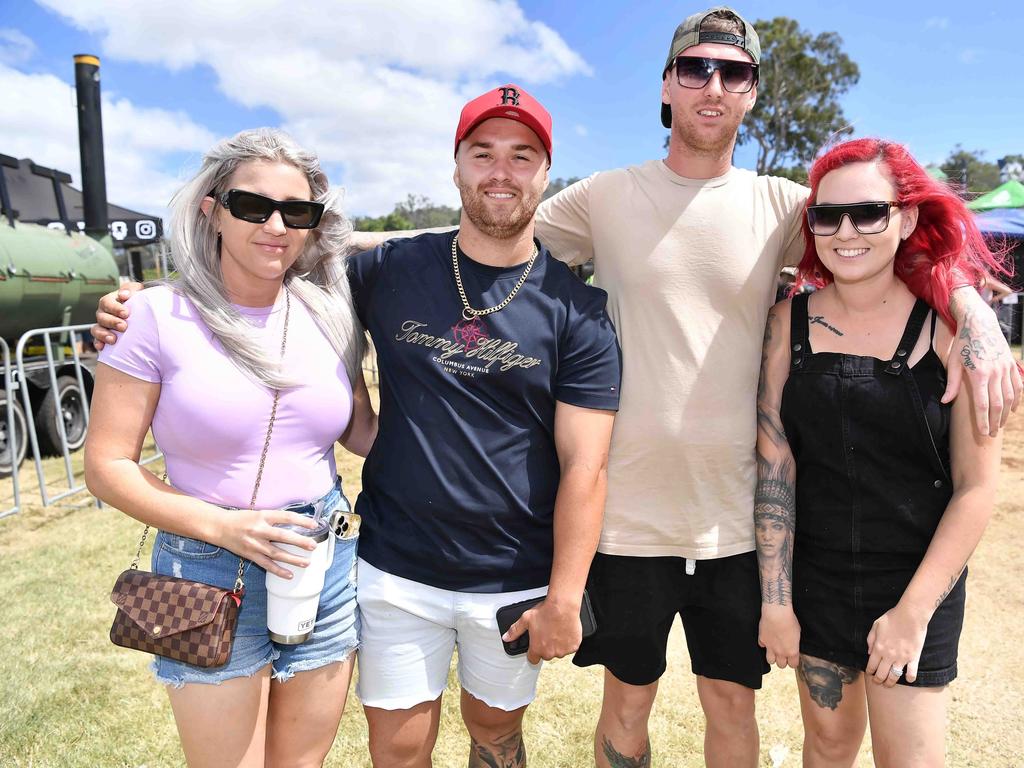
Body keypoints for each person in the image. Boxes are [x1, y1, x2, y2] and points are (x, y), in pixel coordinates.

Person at [524, 8, 1021, 767]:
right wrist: (335, 246)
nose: (713, 85)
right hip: (626, 512)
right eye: (695, 68)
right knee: (625, 702)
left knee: (731, 704)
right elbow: (493, 243)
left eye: (735, 72)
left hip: (737, 518)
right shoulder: (604, 197)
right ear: (666, 84)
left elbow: (887, 247)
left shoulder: (787, 206)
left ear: (753, 92)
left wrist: (972, 311)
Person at [93, 86, 621, 768]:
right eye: (482, 152)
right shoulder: (386, 272)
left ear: (546, 174)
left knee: (494, 735)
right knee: (395, 751)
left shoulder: (575, 310)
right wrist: (132, 304)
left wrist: (567, 594)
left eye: (523, 156)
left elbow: (586, 466)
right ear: (455, 165)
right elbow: (292, 257)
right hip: (385, 566)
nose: (500, 171)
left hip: (483, 567)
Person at [84, 128, 376, 767]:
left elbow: (359, 431)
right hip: (208, 565)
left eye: (296, 212)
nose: (275, 225)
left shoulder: (331, 314)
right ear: (210, 210)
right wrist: (226, 528)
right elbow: (107, 467)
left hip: (321, 557)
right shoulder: (152, 317)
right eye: (252, 206)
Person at [755, 138, 1005, 765]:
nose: (846, 232)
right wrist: (777, 602)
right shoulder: (789, 322)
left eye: (868, 212)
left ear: (908, 217)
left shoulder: (953, 331)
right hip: (818, 579)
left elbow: (977, 490)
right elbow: (774, 462)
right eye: (827, 216)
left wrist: (913, 615)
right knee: (828, 748)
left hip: (917, 582)